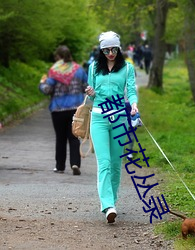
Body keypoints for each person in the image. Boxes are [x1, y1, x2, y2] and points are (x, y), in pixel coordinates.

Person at [85, 31, 138, 223]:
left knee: (116, 164)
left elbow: (131, 90)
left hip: (120, 119)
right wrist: (90, 92)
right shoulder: (93, 68)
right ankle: (107, 205)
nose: (110, 53)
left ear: (119, 48)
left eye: (114, 49)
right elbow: (91, 97)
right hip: (98, 118)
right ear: (101, 50)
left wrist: (133, 104)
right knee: (104, 162)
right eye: (106, 50)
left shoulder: (127, 68)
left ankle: (112, 201)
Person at [39, 45, 88, 175]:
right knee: (74, 137)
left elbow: (47, 90)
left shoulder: (54, 71)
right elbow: (86, 87)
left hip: (58, 109)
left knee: (60, 138)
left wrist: (42, 83)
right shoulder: (79, 70)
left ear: (58, 57)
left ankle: (60, 166)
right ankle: (75, 163)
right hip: (75, 109)